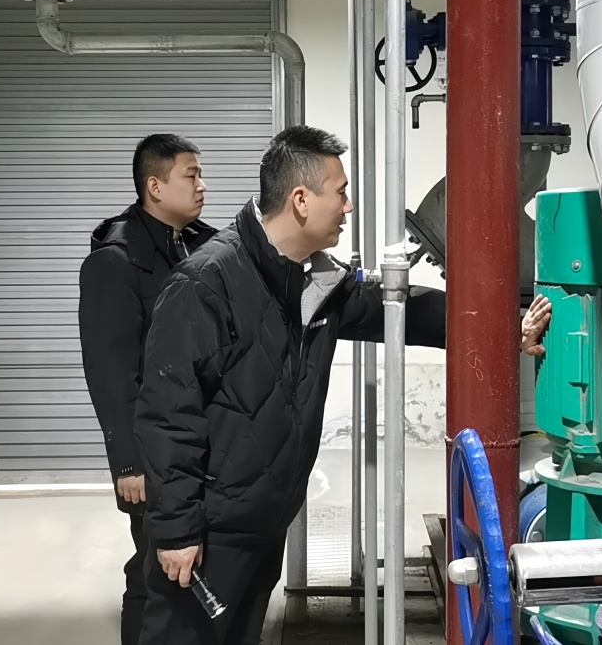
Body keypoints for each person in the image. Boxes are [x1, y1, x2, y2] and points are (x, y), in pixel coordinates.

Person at [132, 125, 447, 645]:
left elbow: (398, 308)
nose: (348, 206)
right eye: (340, 192)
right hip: (209, 533)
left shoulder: (313, 282)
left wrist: (496, 323)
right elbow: (168, 416)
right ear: (301, 200)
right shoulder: (205, 283)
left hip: (264, 521)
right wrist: (176, 530)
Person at [77, 133, 217, 645]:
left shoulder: (200, 244)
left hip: (196, 439)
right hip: (151, 447)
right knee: (155, 564)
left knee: (193, 561)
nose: (202, 185)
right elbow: (110, 371)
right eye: (191, 175)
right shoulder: (115, 261)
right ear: (155, 187)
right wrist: (128, 462)